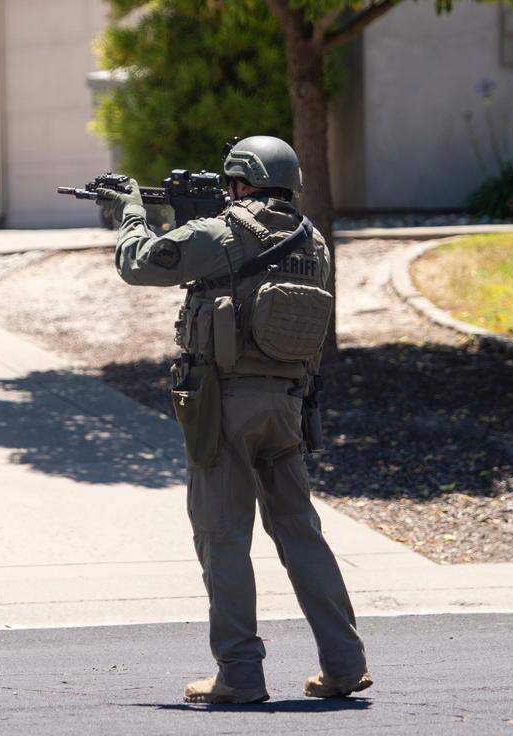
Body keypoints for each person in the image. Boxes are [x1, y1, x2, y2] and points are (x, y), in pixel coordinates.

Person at [96, 136, 371, 704]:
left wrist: (131, 212)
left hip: (224, 407)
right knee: (300, 533)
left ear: (241, 183)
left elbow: (140, 263)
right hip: (289, 408)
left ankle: (240, 673)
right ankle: (344, 664)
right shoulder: (313, 242)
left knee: (223, 537)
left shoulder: (224, 233)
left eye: (230, 185)